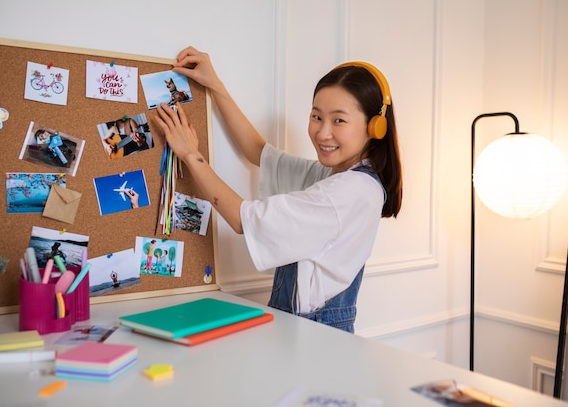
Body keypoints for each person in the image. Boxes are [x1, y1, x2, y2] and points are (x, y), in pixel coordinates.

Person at [154, 47, 403, 333]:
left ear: (376, 127)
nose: (323, 133)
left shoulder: (349, 192)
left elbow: (240, 218)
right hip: (305, 329)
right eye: (316, 116)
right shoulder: (337, 177)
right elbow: (259, 153)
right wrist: (215, 86)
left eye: (339, 120)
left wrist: (190, 154)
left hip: (315, 334)